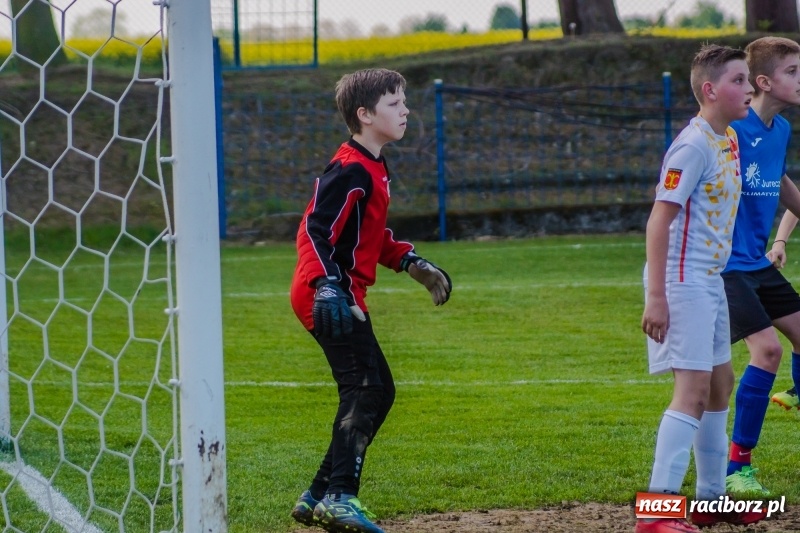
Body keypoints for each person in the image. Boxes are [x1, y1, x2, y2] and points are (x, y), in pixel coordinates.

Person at [288, 68, 452, 533]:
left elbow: (370, 235)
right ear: (364, 114)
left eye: (404, 101)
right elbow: (312, 232)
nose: (405, 110)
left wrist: (410, 262)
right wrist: (328, 287)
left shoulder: (375, 165)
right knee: (366, 389)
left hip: (338, 291)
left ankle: (320, 493)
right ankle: (339, 497)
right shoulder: (350, 168)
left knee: (377, 390)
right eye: (394, 103)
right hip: (325, 294)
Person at [637, 44, 758, 533]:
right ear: (710, 90)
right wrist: (657, 296)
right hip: (682, 282)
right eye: (739, 80)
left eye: (750, 79)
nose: (750, 88)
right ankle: (657, 511)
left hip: (710, 280)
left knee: (721, 384)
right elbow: (658, 220)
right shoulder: (692, 146)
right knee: (690, 392)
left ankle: (712, 500)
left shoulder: (726, 139)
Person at [721, 36, 800, 496]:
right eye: (793, 72)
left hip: (756, 260)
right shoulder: (732, 130)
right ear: (765, 82)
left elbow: (779, 179)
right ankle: (737, 469)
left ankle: (796, 391)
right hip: (726, 265)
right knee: (767, 352)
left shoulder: (780, 131)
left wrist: (782, 237)